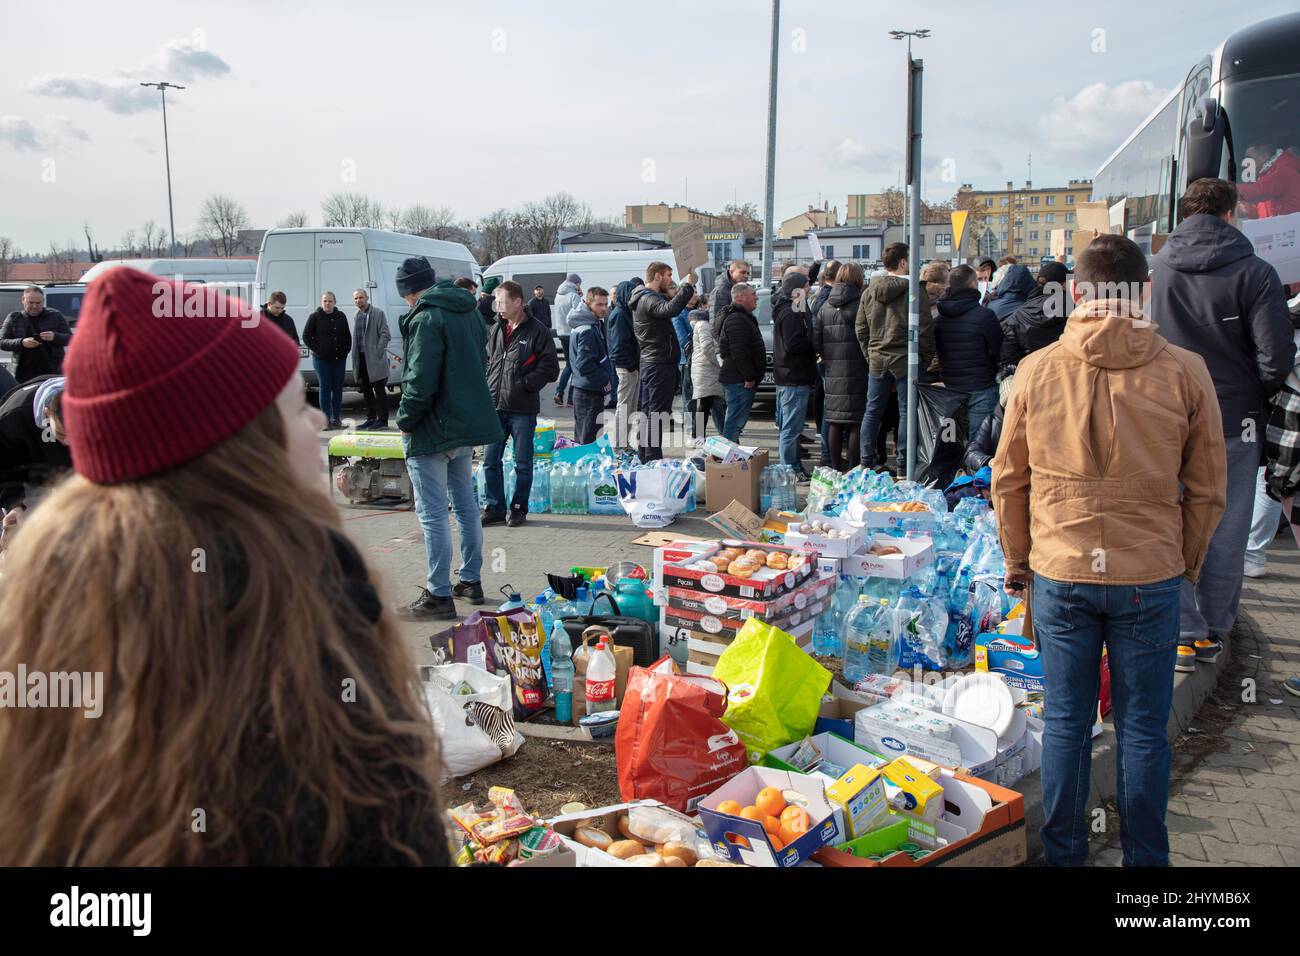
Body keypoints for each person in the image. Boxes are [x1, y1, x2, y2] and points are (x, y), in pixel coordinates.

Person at [0, 266, 451, 865]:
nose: (318, 421)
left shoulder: (51, 597)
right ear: (239, 448)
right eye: (295, 407)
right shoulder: (297, 625)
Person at [991, 233, 1227, 867]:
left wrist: (1018, 564)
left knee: (1067, 725)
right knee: (1143, 731)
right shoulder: (1185, 370)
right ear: (1144, 293)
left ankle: (1064, 858)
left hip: (1062, 572)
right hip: (1149, 574)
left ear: (1076, 293)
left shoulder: (1037, 371)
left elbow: (1007, 479)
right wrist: (1185, 565)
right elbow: (1209, 490)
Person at [1149, 177, 1296, 668]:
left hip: (1164, 415)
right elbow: (1277, 356)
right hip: (1236, 418)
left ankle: (1182, 631)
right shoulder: (1256, 272)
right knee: (1227, 525)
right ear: (1231, 214)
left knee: (1172, 518)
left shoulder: (1155, 270)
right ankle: (1210, 629)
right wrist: (1254, 395)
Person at [395, 257, 502, 620]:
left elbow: (420, 378)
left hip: (433, 428)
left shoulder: (426, 317)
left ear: (409, 291)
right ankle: (470, 579)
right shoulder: (467, 310)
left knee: (434, 514)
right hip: (464, 425)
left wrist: (406, 419)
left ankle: (438, 594)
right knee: (467, 506)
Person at [483, 280, 560, 526]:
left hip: (522, 409)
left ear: (517, 301)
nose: (498, 307)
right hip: (495, 406)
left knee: (522, 463)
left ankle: (518, 508)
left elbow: (551, 369)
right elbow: (491, 360)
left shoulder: (537, 330)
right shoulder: (496, 328)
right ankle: (495, 508)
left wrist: (525, 384)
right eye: (496, 301)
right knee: (489, 461)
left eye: (503, 302)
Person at [857, 242, 933, 472]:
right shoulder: (914, 290)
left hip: (878, 359)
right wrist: (925, 360)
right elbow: (925, 328)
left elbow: (861, 328)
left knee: (872, 412)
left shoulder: (869, 290)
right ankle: (903, 465)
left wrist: (871, 356)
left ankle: (866, 462)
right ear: (902, 262)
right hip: (906, 361)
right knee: (906, 413)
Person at [1247, 294, 1300, 578]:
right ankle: (1252, 552)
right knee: (1276, 481)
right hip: (1288, 410)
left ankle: (1252, 552)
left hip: (1289, 408)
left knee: (1276, 481)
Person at [631, 262, 695, 461]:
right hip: (659, 364)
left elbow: (669, 304)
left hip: (654, 363)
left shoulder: (645, 298)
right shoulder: (648, 299)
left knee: (649, 413)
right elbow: (669, 309)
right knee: (656, 416)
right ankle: (652, 461)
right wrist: (687, 286)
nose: (670, 279)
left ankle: (645, 458)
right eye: (668, 275)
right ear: (657, 276)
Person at [934, 264, 1004, 436]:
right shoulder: (984, 316)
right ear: (973, 284)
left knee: (952, 443)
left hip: (950, 388)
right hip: (981, 386)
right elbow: (1000, 350)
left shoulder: (939, 318)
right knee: (978, 443)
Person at [815, 262, 868, 471]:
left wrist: (826, 358)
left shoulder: (825, 305)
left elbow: (816, 338)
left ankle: (835, 467)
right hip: (858, 369)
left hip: (833, 369)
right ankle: (854, 466)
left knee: (835, 420)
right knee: (856, 420)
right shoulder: (861, 303)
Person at [0, 375, 71, 527]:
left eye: (76, 436)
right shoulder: (13, 417)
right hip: (31, 479)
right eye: (61, 434)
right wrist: (14, 505)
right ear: (47, 413)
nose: (68, 442)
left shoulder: (99, 410)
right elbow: (4, 466)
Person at [772, 272, 815, 477]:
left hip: (790, 377)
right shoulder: (790, 313)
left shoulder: (793, 309)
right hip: (793, 379)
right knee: (790, 429)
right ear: (797, 290)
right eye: (807, 286)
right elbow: (793, 343)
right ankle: (789, 469)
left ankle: (792, 466)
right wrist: (814, 342)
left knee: (790, 428)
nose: (809, 289)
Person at [999, 261, 1071, 373]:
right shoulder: (1077, 309)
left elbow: (1008, 356)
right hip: (1067, 374)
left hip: (1031, 376)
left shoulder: (1019, 314)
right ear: (1063, 284)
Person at [716, 282, 764, 444]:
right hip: (739, 380)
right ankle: (726, 460)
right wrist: (749, 376)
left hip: (739, 379)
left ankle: (730, 458)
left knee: (735, 422)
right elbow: (739, 352)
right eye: (753, 294)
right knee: (734, 422)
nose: (756, 297)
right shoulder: (737, 319)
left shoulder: (742, 317)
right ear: (741, 297)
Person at [568, 286, 615, 445]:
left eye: (606, 304)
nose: (604, 308)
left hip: (586, 389)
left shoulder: (590, 324)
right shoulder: (587, 329)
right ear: (588, 303)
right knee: (587, 439)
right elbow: (584, 364)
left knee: (584, 437)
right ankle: (584, 468)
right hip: (588, 392)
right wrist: (604, 379)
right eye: (599, 305)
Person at [1, 286, 72, 384]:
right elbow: (2, 342)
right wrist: (22, 342)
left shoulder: (55, 315)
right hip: (22, 374)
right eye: (31, 303)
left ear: (43, 301)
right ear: (23, 300)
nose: (35, 306)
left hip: (52, 372)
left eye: (38, 303)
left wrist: (55, 336)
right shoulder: (14, 318)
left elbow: (71, 339)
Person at [302, 291, 351, 430]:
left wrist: (345, 351)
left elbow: (347, 336)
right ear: (321, 302)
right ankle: (325, 420)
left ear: (334, 302)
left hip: (339, 359)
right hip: (321, 360)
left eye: (330, 301)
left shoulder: (341, 316)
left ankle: (336, 418)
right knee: (325, 388)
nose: (327, 303)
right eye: (325, 301)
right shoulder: (315, 317)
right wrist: (318, 349)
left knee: (337, 389)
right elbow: (306, 336)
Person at [606, 277, 642, 451]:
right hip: (626, 368)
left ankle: (624, 443)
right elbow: (618, 345)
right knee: (624, 407)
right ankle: (619, 444)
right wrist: (630, 365)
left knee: (630, 407)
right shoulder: (619, 314)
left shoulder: (625, 312)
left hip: (631, 366)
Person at [350, 288, 391, 430]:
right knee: (366, 390)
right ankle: (371, 418)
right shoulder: (357, 315)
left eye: (361, 297)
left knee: (379, 391)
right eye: (355, 298)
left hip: (374, 359)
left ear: (367, 298)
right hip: (361, 358)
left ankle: (383, 420)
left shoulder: (377, 313)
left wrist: (377, 351)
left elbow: (385, 334)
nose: (358, 300)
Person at [688, 299, 725, 437]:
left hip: (704, 368)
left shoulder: (702, 324)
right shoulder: (703, 325)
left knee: (706, 403)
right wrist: (718, 362)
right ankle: (696, 435)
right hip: (706, 368)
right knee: (704, 404)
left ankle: (697, 435)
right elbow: (707, 347)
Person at [963, 374, 1013, 474]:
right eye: (1009, 404)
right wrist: (989, 461)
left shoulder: (1033, 422)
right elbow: (971, 453)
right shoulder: (992, 421)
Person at [1237, 143, 1300, 219]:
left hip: (1290, 228)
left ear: (1264, 156)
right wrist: (1249, 211)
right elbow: (1267, 212)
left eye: (1249, 158)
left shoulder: (1282, 171)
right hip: (1281, 227)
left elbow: (1259, 191)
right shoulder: (1269, 175)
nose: (1246, 164)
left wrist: (1229, 189)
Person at [553, 273, 582, 407]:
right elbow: (579, 313)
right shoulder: (573, 296)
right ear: (575, 284)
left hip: (561, 332)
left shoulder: (558, 295)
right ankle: (571, 399)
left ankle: (559, 392)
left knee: (568, 365)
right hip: (572, 333)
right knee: (574, 366)